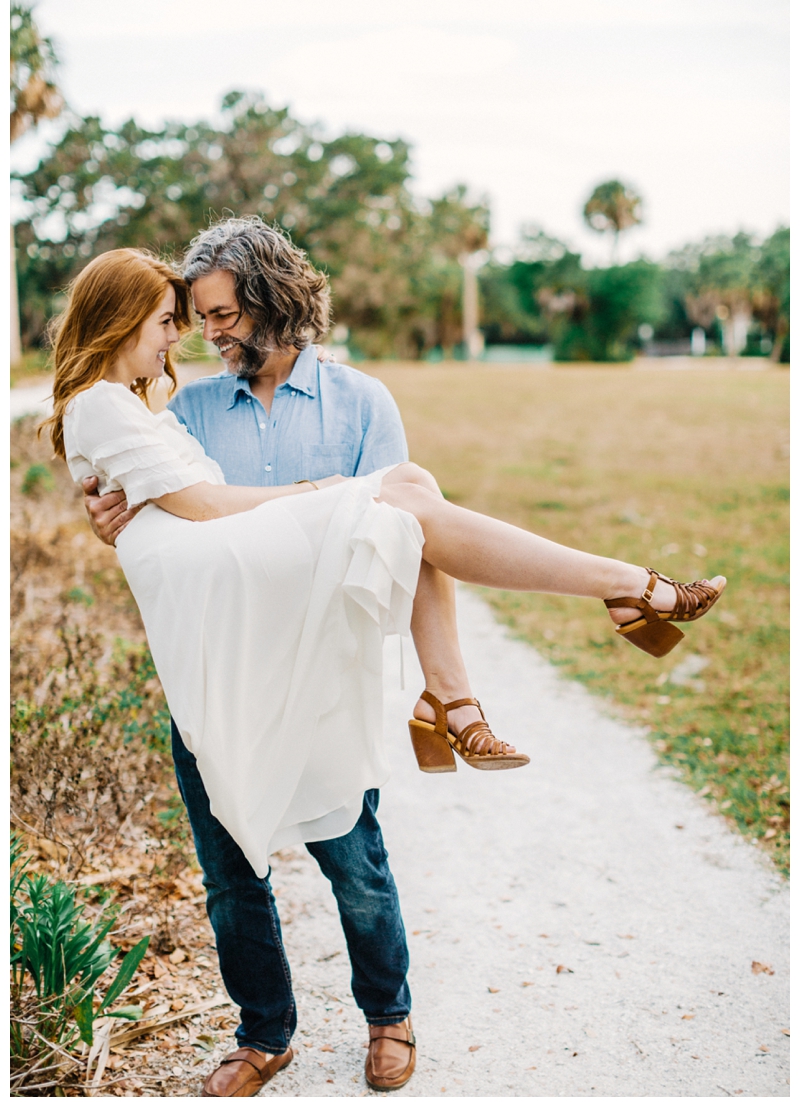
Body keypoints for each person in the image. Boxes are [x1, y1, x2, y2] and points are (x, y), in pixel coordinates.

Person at [62, 235, 724, 1094]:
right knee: (230, 869)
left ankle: (389, 1015)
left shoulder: (359, 400)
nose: (207, 334)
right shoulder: (185, 407)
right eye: (193, 319)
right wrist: (107, 510)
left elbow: (415, 552)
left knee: (354, 855)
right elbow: (150, 497)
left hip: (321, 649)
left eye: (224, 315)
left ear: (272, 300)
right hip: (226, 655)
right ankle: (264, 1032)